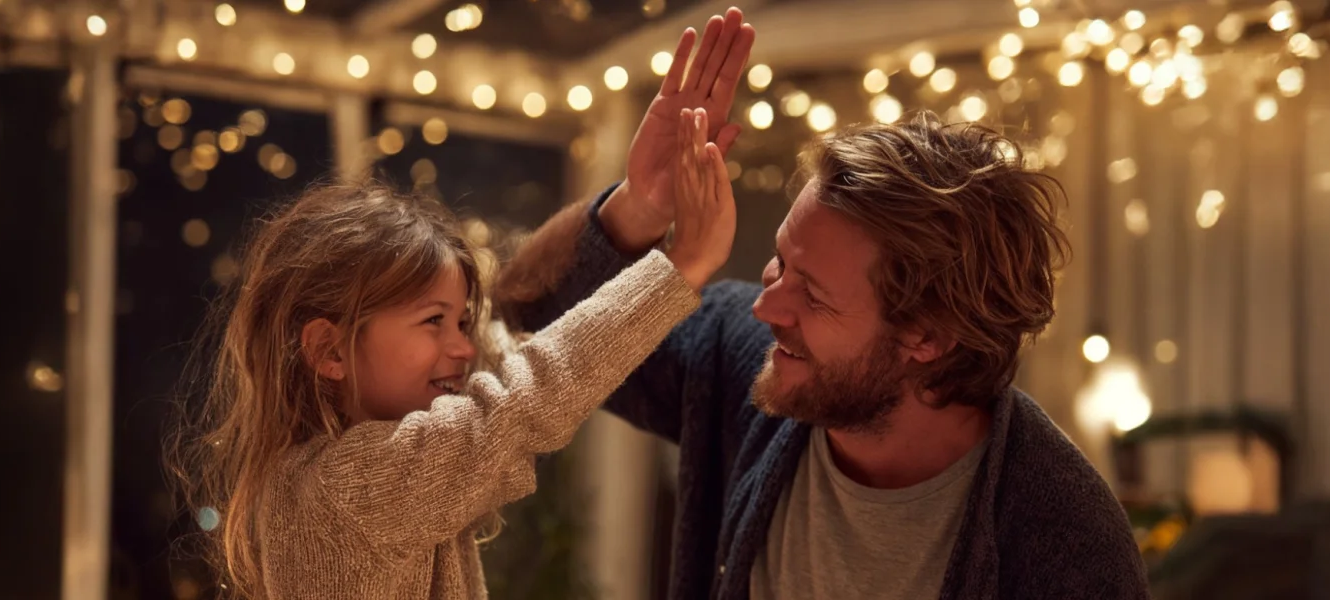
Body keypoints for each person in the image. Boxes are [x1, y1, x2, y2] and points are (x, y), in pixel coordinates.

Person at [494, 8, 1150, 600]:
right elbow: (543, 309)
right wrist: (640, 207)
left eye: (813, 292)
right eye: (781, 261)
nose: (767, 307)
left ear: (928, 337)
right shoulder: (744, 360)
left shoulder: (1065, 543)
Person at [167, 109, 739, 599]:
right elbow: (521, 398)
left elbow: (508, 346)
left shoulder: (335, 464)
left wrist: (636, 205)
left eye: (460, 320)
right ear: (328, 349)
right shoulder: (349, 485)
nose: (463, 345)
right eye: (433, 320)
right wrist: (679, 266)